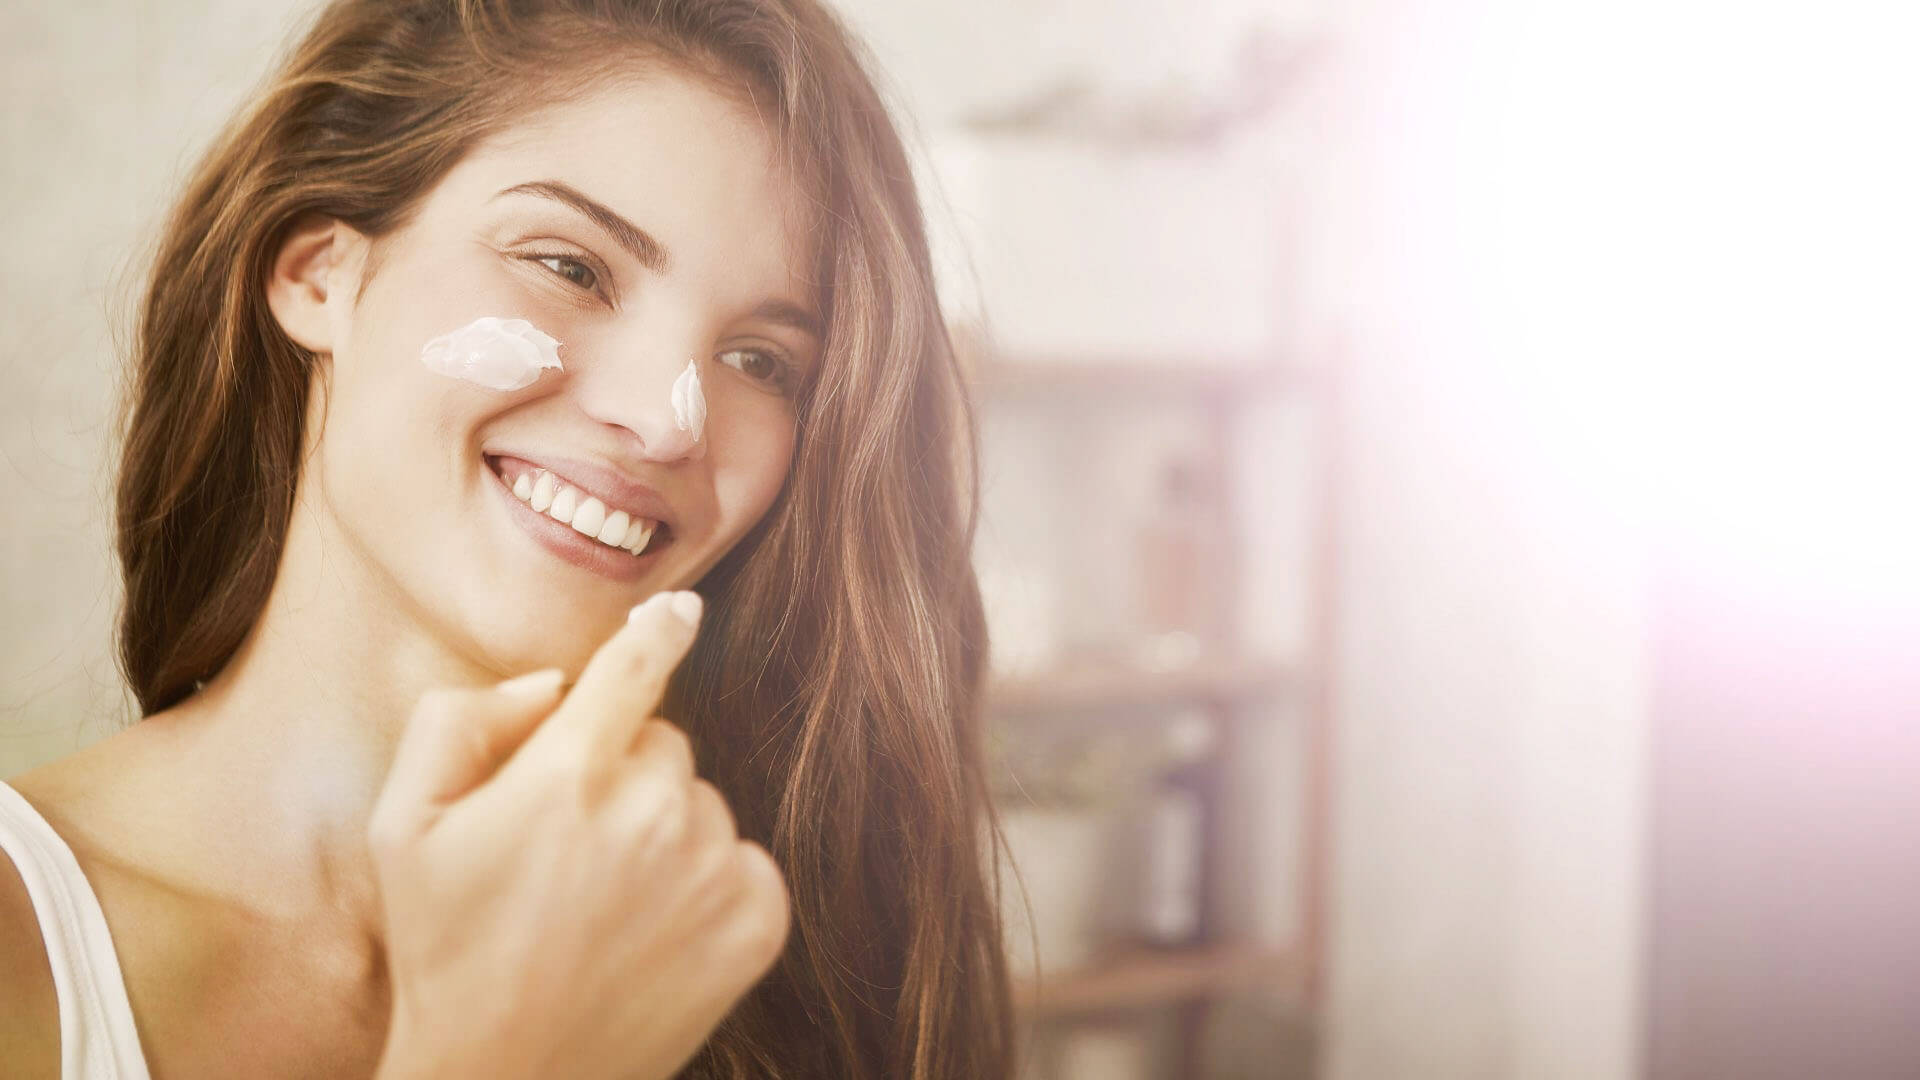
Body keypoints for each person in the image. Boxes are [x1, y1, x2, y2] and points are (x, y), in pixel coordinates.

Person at [0, 1, 1013, 1077]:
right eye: (570, 267)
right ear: (317, 272)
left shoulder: (774, 949)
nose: (672, 419)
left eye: (762, 361)